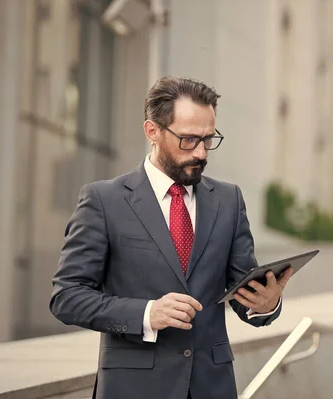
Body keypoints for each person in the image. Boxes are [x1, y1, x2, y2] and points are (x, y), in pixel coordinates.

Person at [49, 76, 293, 399]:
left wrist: (266, 304)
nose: (202, 153)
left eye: (209, 139)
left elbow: (243, 292)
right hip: (133, 390)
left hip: (212, 387)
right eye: (189, 140)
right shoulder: (104, 201)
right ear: (152, 131)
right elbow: (66, 296)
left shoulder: (229, 201)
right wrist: (147, 313)